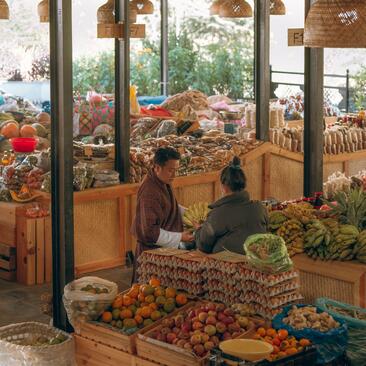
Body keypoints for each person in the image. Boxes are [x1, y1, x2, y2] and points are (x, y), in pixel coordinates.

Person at [131, 147, 194, 282]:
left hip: (164, 251)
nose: (174, 175)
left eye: (176, 170)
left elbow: (169, 206)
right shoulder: (150, 192)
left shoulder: (162, 181)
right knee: (150, 295)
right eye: (171, 170)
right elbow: (149, 232)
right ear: (157, 168)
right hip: (152, 254)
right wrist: (180, 237)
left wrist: (190, 215)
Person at [194, 156, 268, 254]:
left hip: (227, 266)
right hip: (257, 261)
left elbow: (203, 246)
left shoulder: (218, 214)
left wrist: (199, 230)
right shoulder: (260, 208)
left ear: (223, 186)